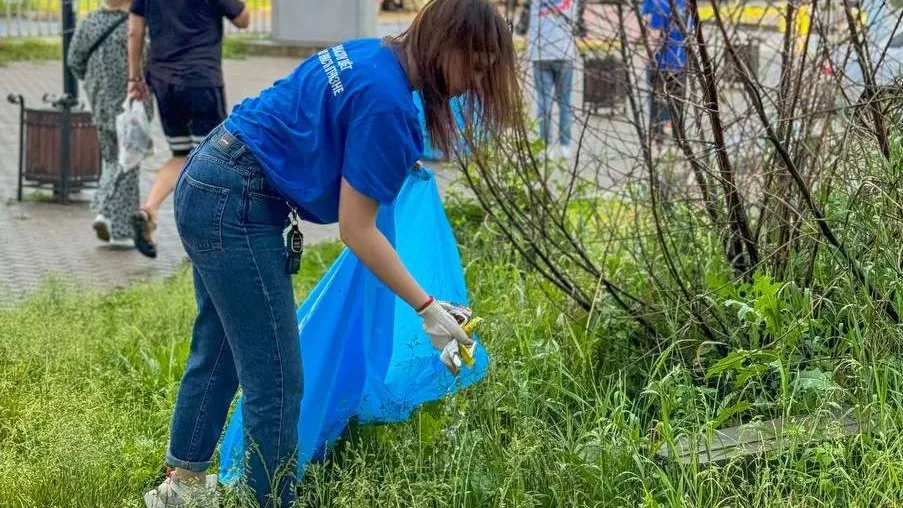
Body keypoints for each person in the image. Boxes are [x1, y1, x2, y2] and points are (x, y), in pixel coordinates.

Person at [141, 0, 519, 507]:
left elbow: (340, 129)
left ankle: (181, 488)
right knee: (277, 379)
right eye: (475, 67)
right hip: (235, 201)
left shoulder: (373, 55)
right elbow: (357, 231)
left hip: (211, 175)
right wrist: (427, 308)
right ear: (446, 43)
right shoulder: (387, 101)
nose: (475, 83)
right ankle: (266, 500)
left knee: (220, 346)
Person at [126, 0, 250, 259]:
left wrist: (134, 77)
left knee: (181, 154)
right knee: (212, 161)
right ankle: (201, 242)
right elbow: (243, 19)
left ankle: (149, 210)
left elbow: (135, 31)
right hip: (201, 78)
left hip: (163, 81)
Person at [67, 0, 152, 248]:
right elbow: (149, 59)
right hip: (132, 103)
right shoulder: (136, 24)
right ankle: (114, 222)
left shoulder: (91, 21)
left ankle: (111, 218)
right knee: (129, 161)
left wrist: (93, 81)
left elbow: (74, 59)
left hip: (100, 101)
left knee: (112, 158)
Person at [525, 0, 579, 159]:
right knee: (565, 102)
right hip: (564, 53)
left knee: (543, 102)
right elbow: (577, 22)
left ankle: (546, 145)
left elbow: (523, 22)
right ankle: (565, 145)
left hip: (540, 53)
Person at [642, 0, 691, 141]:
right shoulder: (685, 3)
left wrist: (647, 54)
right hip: (680, 61)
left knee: (657, 100)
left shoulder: (655, 2)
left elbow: (654, 33)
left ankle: (658, 133)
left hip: (660, 62)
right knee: (677, 101)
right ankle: (678, 136)